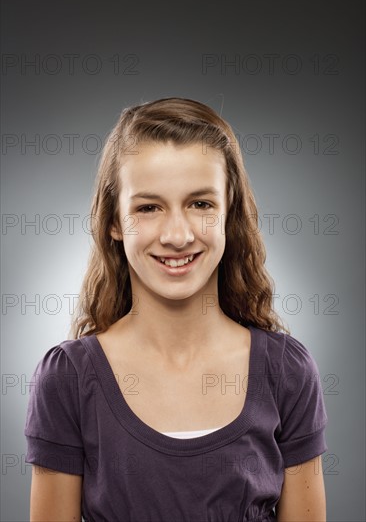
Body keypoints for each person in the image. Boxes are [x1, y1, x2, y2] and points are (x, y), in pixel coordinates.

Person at [24, 97, 328, 521]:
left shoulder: (287, 372)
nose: (177, 235)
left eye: (201, 204)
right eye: (148, 207)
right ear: (114, 221)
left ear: (229, 214)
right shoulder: (68, 379)